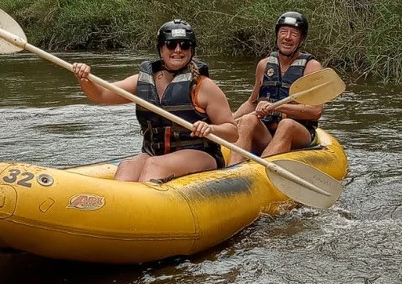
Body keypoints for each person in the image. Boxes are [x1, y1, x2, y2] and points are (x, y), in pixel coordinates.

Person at [71, 20, 237, 182]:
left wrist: (210, 128)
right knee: (127, 167)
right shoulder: (143, 81)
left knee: (154, 165)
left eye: (185, 45)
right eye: (171, 45)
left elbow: (232, 132)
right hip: (156, 152)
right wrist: (84, 79)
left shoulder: (203, 86)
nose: (178, 50)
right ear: (161, 49)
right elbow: (100, 94)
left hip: (200, 154)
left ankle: (144, 207)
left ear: (191, 50)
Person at [232, 11, 322, 162]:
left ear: (301, 39)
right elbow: (251, 103)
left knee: (286, 125)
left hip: (299, 133)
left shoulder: (311, 67)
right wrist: (229, 121)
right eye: (283, 32)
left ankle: (261, 171)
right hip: (267, 133)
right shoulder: (264, 65)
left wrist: (277, 107)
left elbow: (315, 111)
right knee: (248, 119)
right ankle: (232, 173)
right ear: (277, 35)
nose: (287, 37)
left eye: (294, 33)